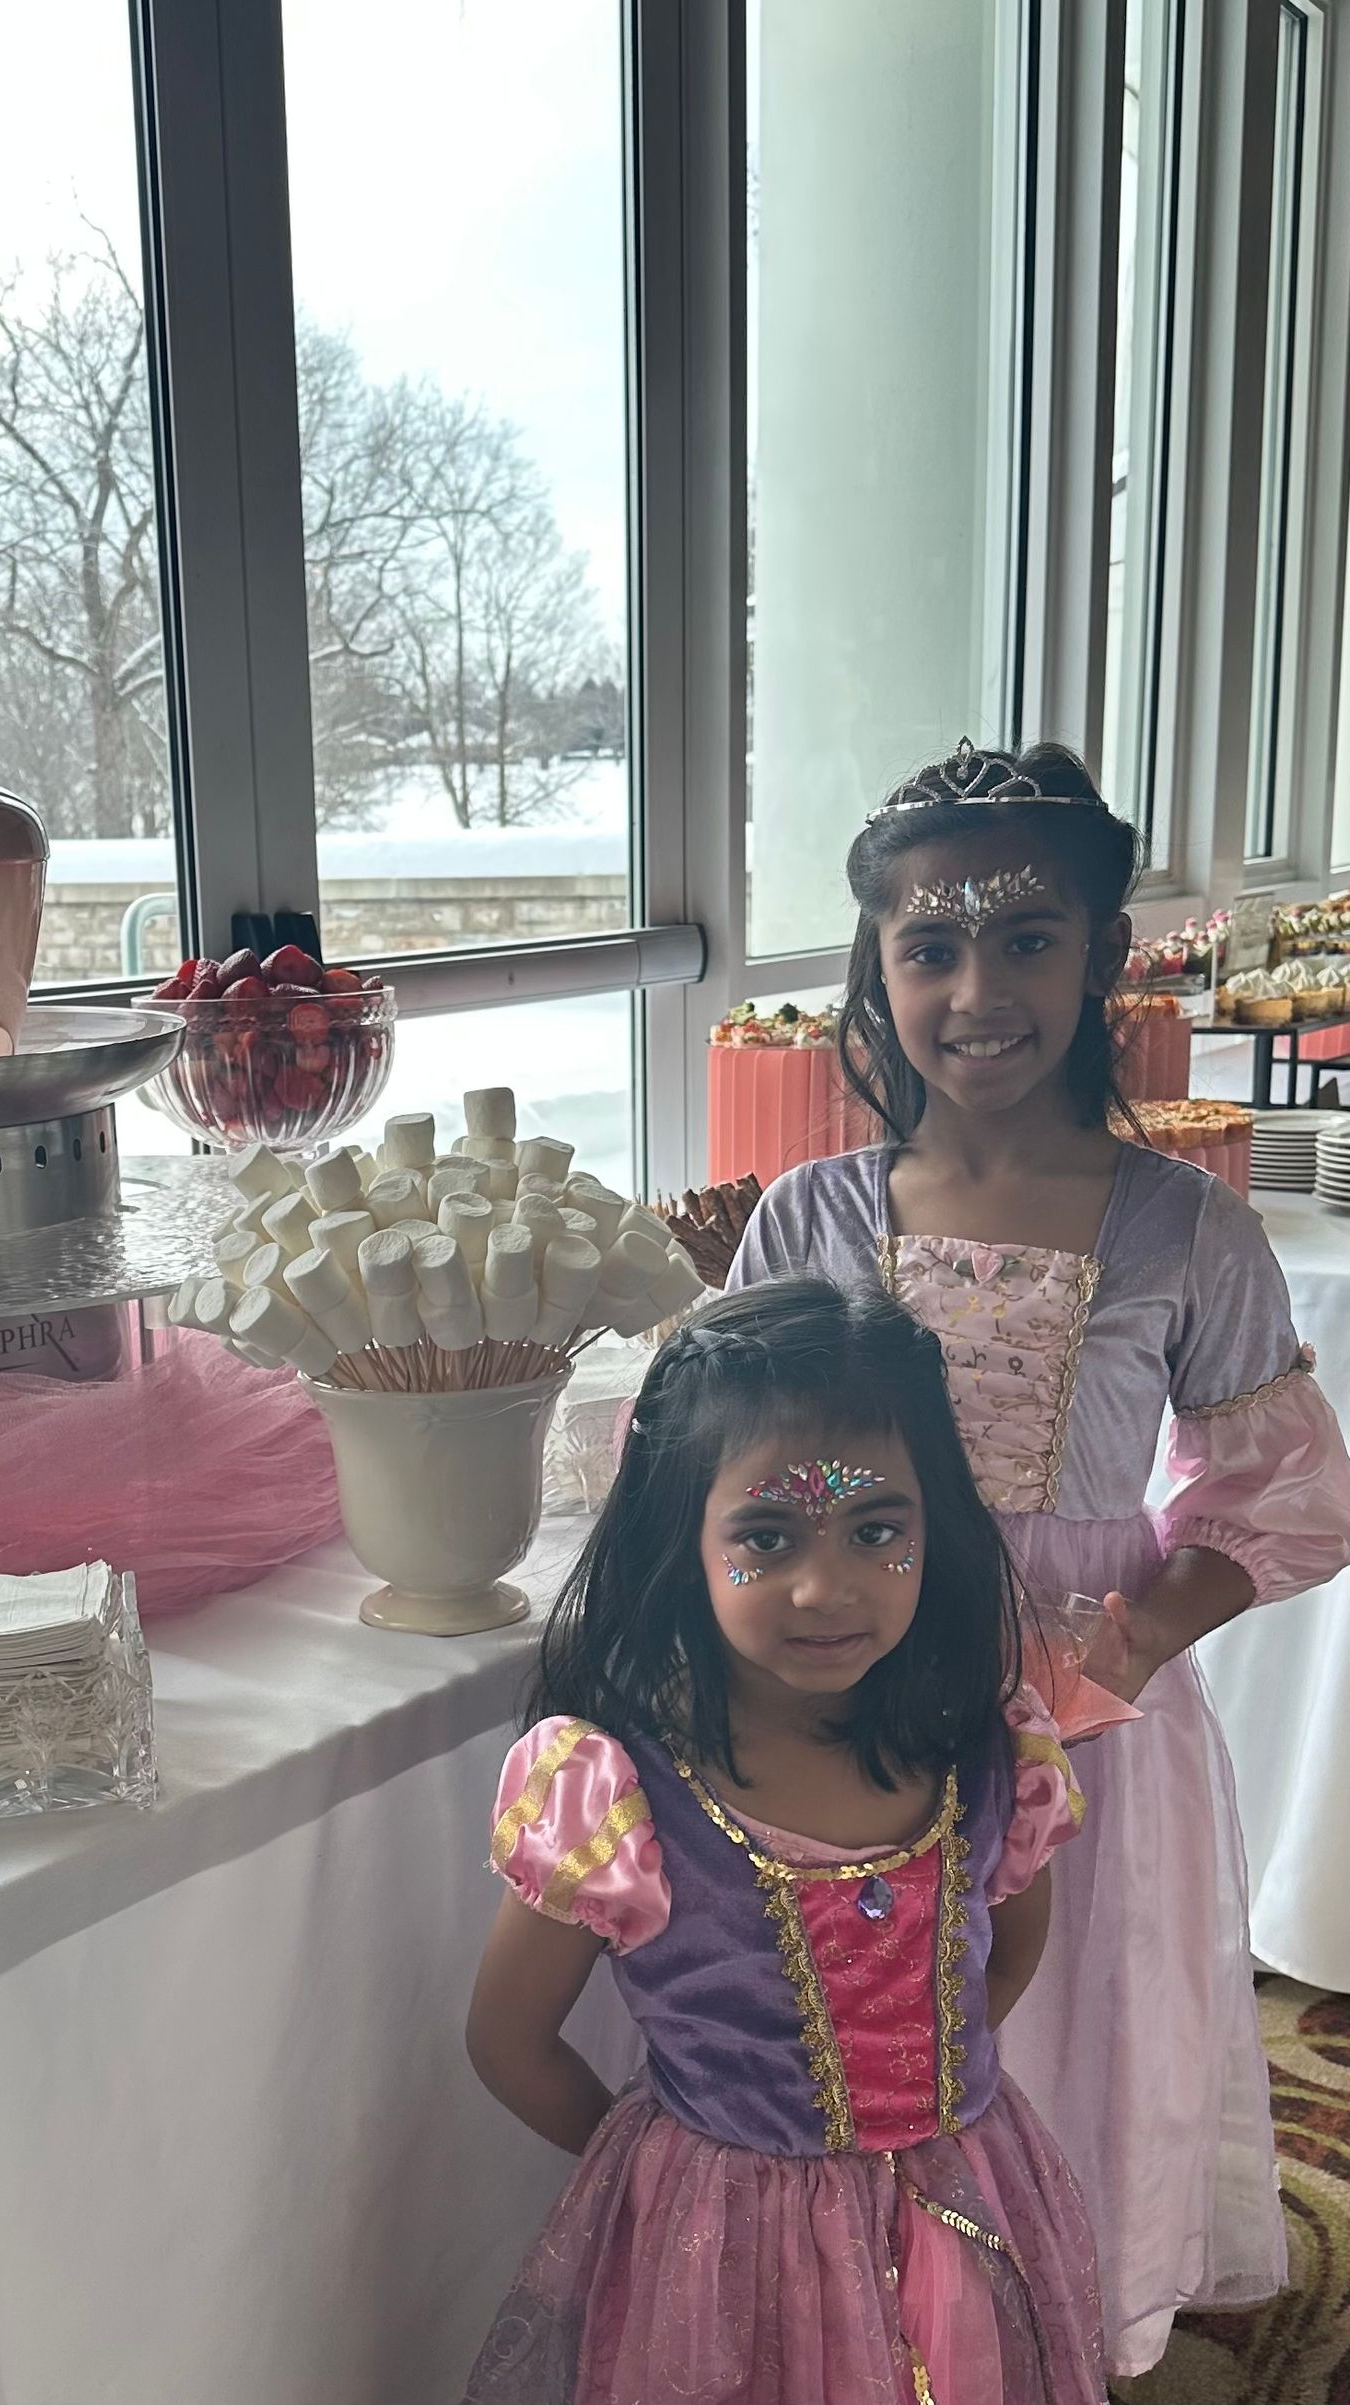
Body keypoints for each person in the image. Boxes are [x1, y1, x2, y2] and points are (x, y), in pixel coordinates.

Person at [726, 736, 1350, 2379]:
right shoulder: (808, 1221)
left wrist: (1124, 1654)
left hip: (1083, 1726)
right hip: (856, 1710)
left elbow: (1277, 1497)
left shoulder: (1182, 1229)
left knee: (1067, 2038)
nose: (976, 990)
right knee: (872, 2035)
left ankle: (1047, 2326)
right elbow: (743, 1469)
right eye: (930, 946)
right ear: (878, 965)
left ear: (1102, 959)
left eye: (1024, 940)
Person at [461, 1281, 1103, 2405]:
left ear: (932, 1524)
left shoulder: (989, 1748)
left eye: (876, 1528)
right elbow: (508, 2039)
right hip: (721, 2251)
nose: (827, 1585)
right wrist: (659, 2174)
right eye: (766, 1533)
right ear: (685, 1534)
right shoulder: (617, 1790)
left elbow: (1003, 1956)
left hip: (965, 2199)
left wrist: (923, 2090)